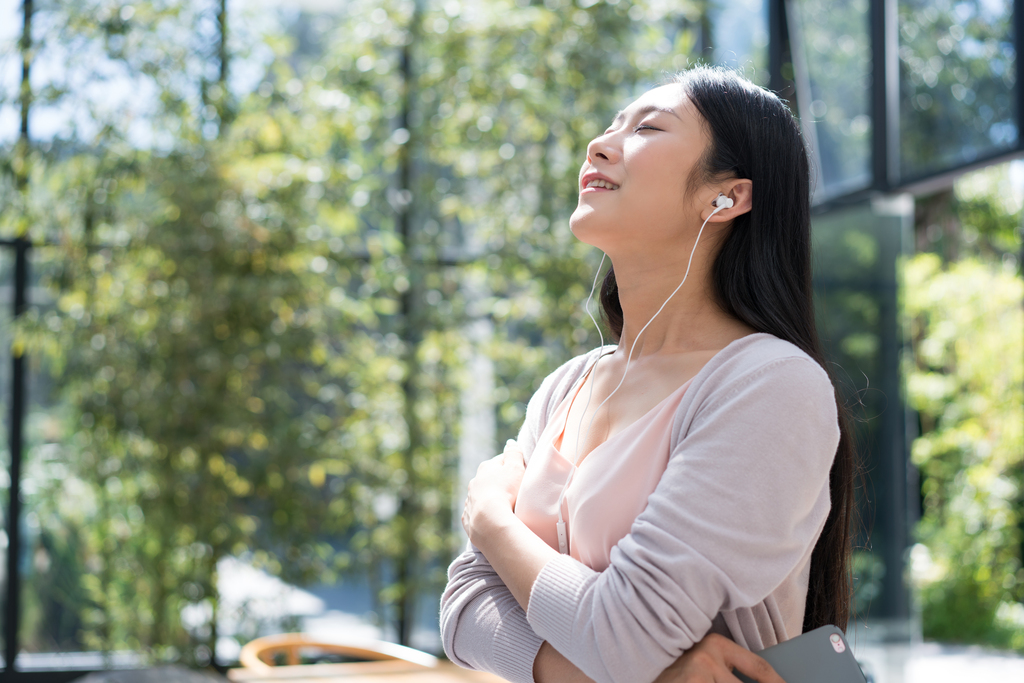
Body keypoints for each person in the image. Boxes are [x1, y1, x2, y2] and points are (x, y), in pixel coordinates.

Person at [440, 66, 854, 683]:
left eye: (648, 128)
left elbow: (622, 635)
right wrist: (639, 673)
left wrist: (491, 523)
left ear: (729, 196)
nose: (600, 144)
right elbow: (462, 609)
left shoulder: (771, 385)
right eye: (611, 125)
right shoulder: (569, 385)